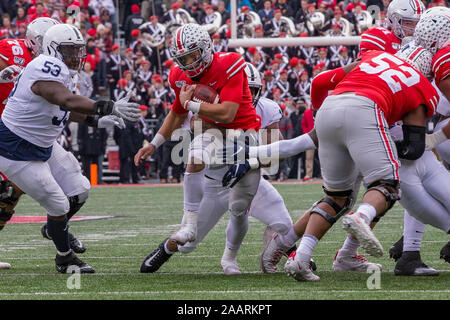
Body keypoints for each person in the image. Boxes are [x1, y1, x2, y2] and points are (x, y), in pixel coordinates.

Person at [139, 63, 310, 275]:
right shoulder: (213, 106)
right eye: (242, 89)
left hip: (248, 180)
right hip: (215, 183)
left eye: (250, 90)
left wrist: (249, 160)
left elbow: (273, 157)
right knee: (187, 244)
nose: (245, 94)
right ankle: (166, 248)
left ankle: (269, 253)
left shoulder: (266, 109)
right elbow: (195, 128)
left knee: (284, 224)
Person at [0, 23, 139, 273]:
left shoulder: (60, 69)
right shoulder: (45, 66)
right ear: (52, 49)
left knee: (80, 189)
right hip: (15, 150)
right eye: (69, 50)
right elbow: (63, 99)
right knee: (57, 204)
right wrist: (106, 106)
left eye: (78, 50)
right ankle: (65, 258)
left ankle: (53, 228)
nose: (75, 56)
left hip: (41, 144)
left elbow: (61, 109)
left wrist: (95, 119)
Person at [135, 23, 261, 269]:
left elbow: (227, 113)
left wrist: (192, 105)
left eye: (193, 55)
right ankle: (186, 226)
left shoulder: (231, 63)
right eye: (184, 58)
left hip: (244, 139)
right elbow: (176, 113)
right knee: (195, 156)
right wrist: (154, 143)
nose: (190, 63)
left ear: (206, 48)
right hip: (213, 134)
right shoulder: (178, 76)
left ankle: (230, 259)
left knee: (240, 209)